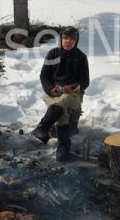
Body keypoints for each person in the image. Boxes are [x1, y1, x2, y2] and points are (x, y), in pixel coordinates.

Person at [32, 27, 90, 161]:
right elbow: (44, 76)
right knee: (61, 110)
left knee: (63, 102)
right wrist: (51, 89)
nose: (67, 42)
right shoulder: (53, 54)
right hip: (53, 93)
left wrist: (72, 87)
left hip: (73, 94)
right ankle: (63, 147)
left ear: (76, 41)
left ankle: (43, 127)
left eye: (71, 39)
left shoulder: (81, 57)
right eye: (65, 38)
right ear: (61, 39)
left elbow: (85, 81)